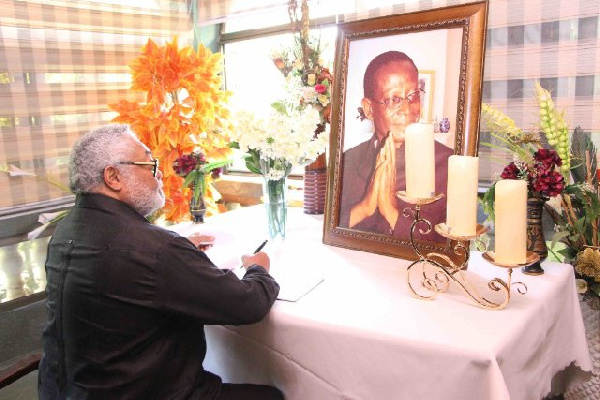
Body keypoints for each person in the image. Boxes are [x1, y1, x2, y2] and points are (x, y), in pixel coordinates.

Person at [38, 124, 284, 400]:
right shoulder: (153, 249)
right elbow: (248, 304)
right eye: (148, 165)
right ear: (113, 177)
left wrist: (179, 254)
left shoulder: (64, 232)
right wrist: (257, 267)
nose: (159, 178)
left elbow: (121, 271)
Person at [339, 51, 453, 243]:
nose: (408, 110)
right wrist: (365, 207)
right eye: (393, 99)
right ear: (368, 109)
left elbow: (445, 250)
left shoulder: (448, 164)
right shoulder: (348, 160)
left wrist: (390, 211)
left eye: (413, 95)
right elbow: (331, 229)